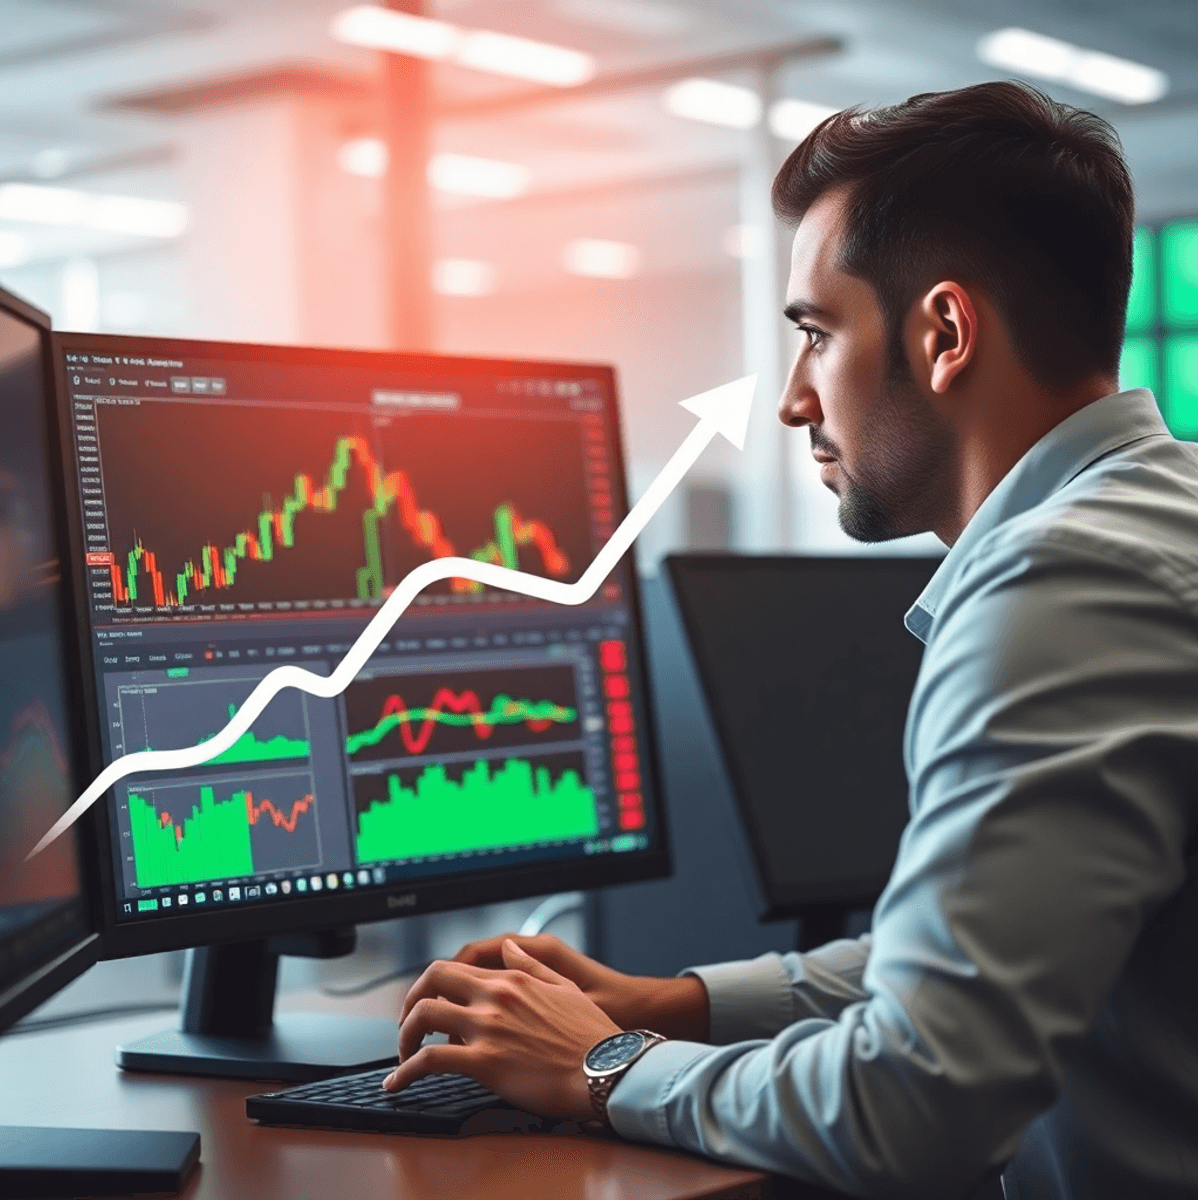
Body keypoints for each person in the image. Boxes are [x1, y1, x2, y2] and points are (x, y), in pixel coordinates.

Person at [382, 81, 1198, 1200]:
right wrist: (673, 1004)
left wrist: (600, 1063)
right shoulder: (1165, 512)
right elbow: (1000, 958)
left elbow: (913, 1105)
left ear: (944, 334)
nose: (794, 401)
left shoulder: (1060, 582)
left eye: (817, 333)